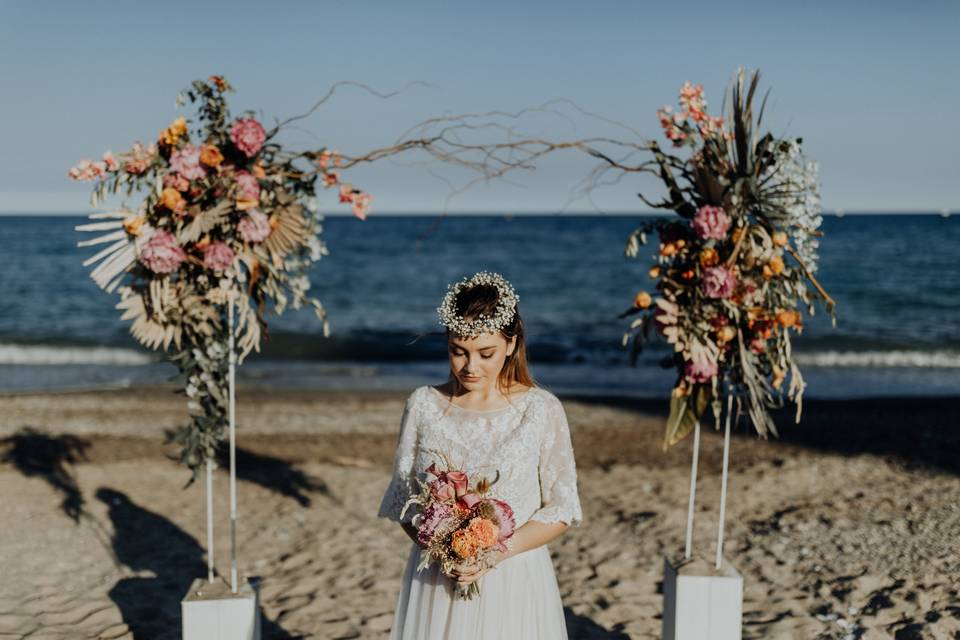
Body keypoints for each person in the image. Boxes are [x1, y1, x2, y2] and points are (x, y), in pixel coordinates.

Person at [377, 271, 583, 639]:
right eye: (459, 351)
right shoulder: (424, 404)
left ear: (510, 343)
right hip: (438, 578)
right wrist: (441, 546)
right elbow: (401, 499)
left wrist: (496, 553)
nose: (471, 367)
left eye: (485, 354)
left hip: (514, 576)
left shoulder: (541, 409)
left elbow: (562, 509)